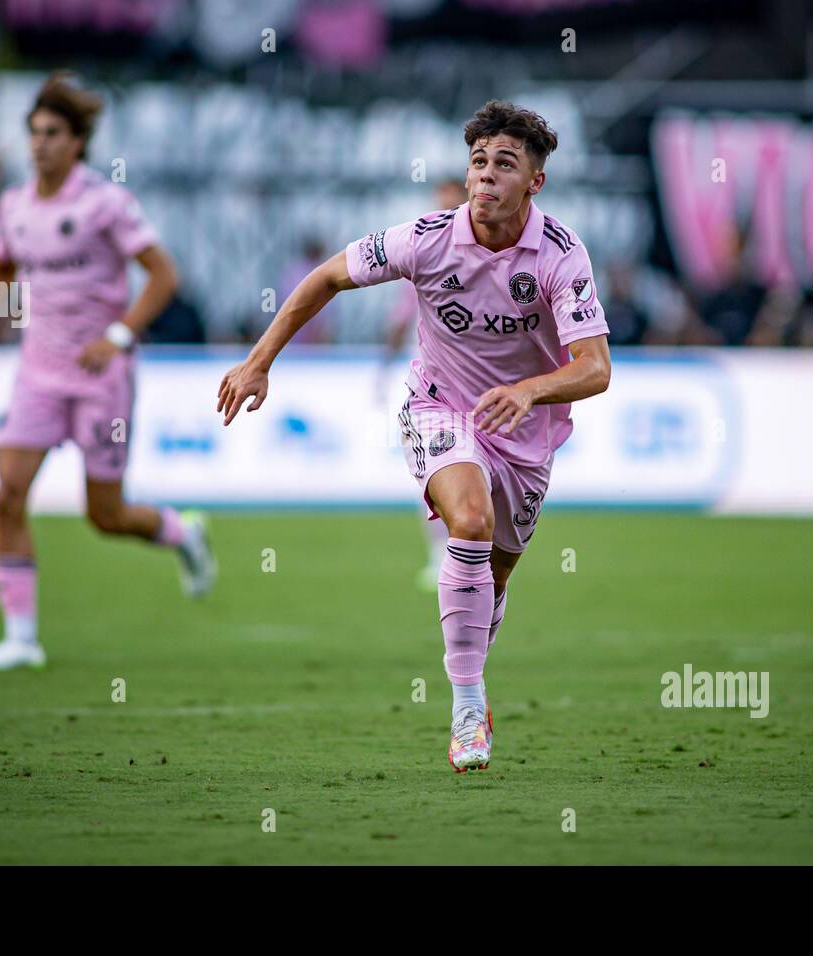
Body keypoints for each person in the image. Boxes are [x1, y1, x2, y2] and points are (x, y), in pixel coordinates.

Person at [217, 100, 611, 771]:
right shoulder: (425, 236)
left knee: (494, 575)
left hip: (522, 429)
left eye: (504, 165)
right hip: (438, 406)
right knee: (469, 517)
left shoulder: (561, 255)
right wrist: (259, 360)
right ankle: (466, 706)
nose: (485, 176)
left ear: (534, 182)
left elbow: (595, 368)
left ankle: (471, 680)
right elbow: (327, 277)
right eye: (478, 162)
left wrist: (528, 390)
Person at [0, 73, 216, 671]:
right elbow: (2, 270)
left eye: (53, 134)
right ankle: (21, 637)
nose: (39, 144)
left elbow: (164, 275)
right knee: (9, 493)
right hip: (38, 373)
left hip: (100, 377)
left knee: (105, 516)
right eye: (34, 133)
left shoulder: (104, 203)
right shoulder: (15, 206)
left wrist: (118, 335)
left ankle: (182, 532)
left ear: (77, 142)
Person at [377, 177, 466, 592]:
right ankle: (440, 559)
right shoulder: (425, 257)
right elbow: (400, 319)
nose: (443, 213)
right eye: (439, 204)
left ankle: (474, 563)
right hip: (435, 393)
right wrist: (382, 368)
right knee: (433, 477)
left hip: (488, 390)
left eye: (451, 203)